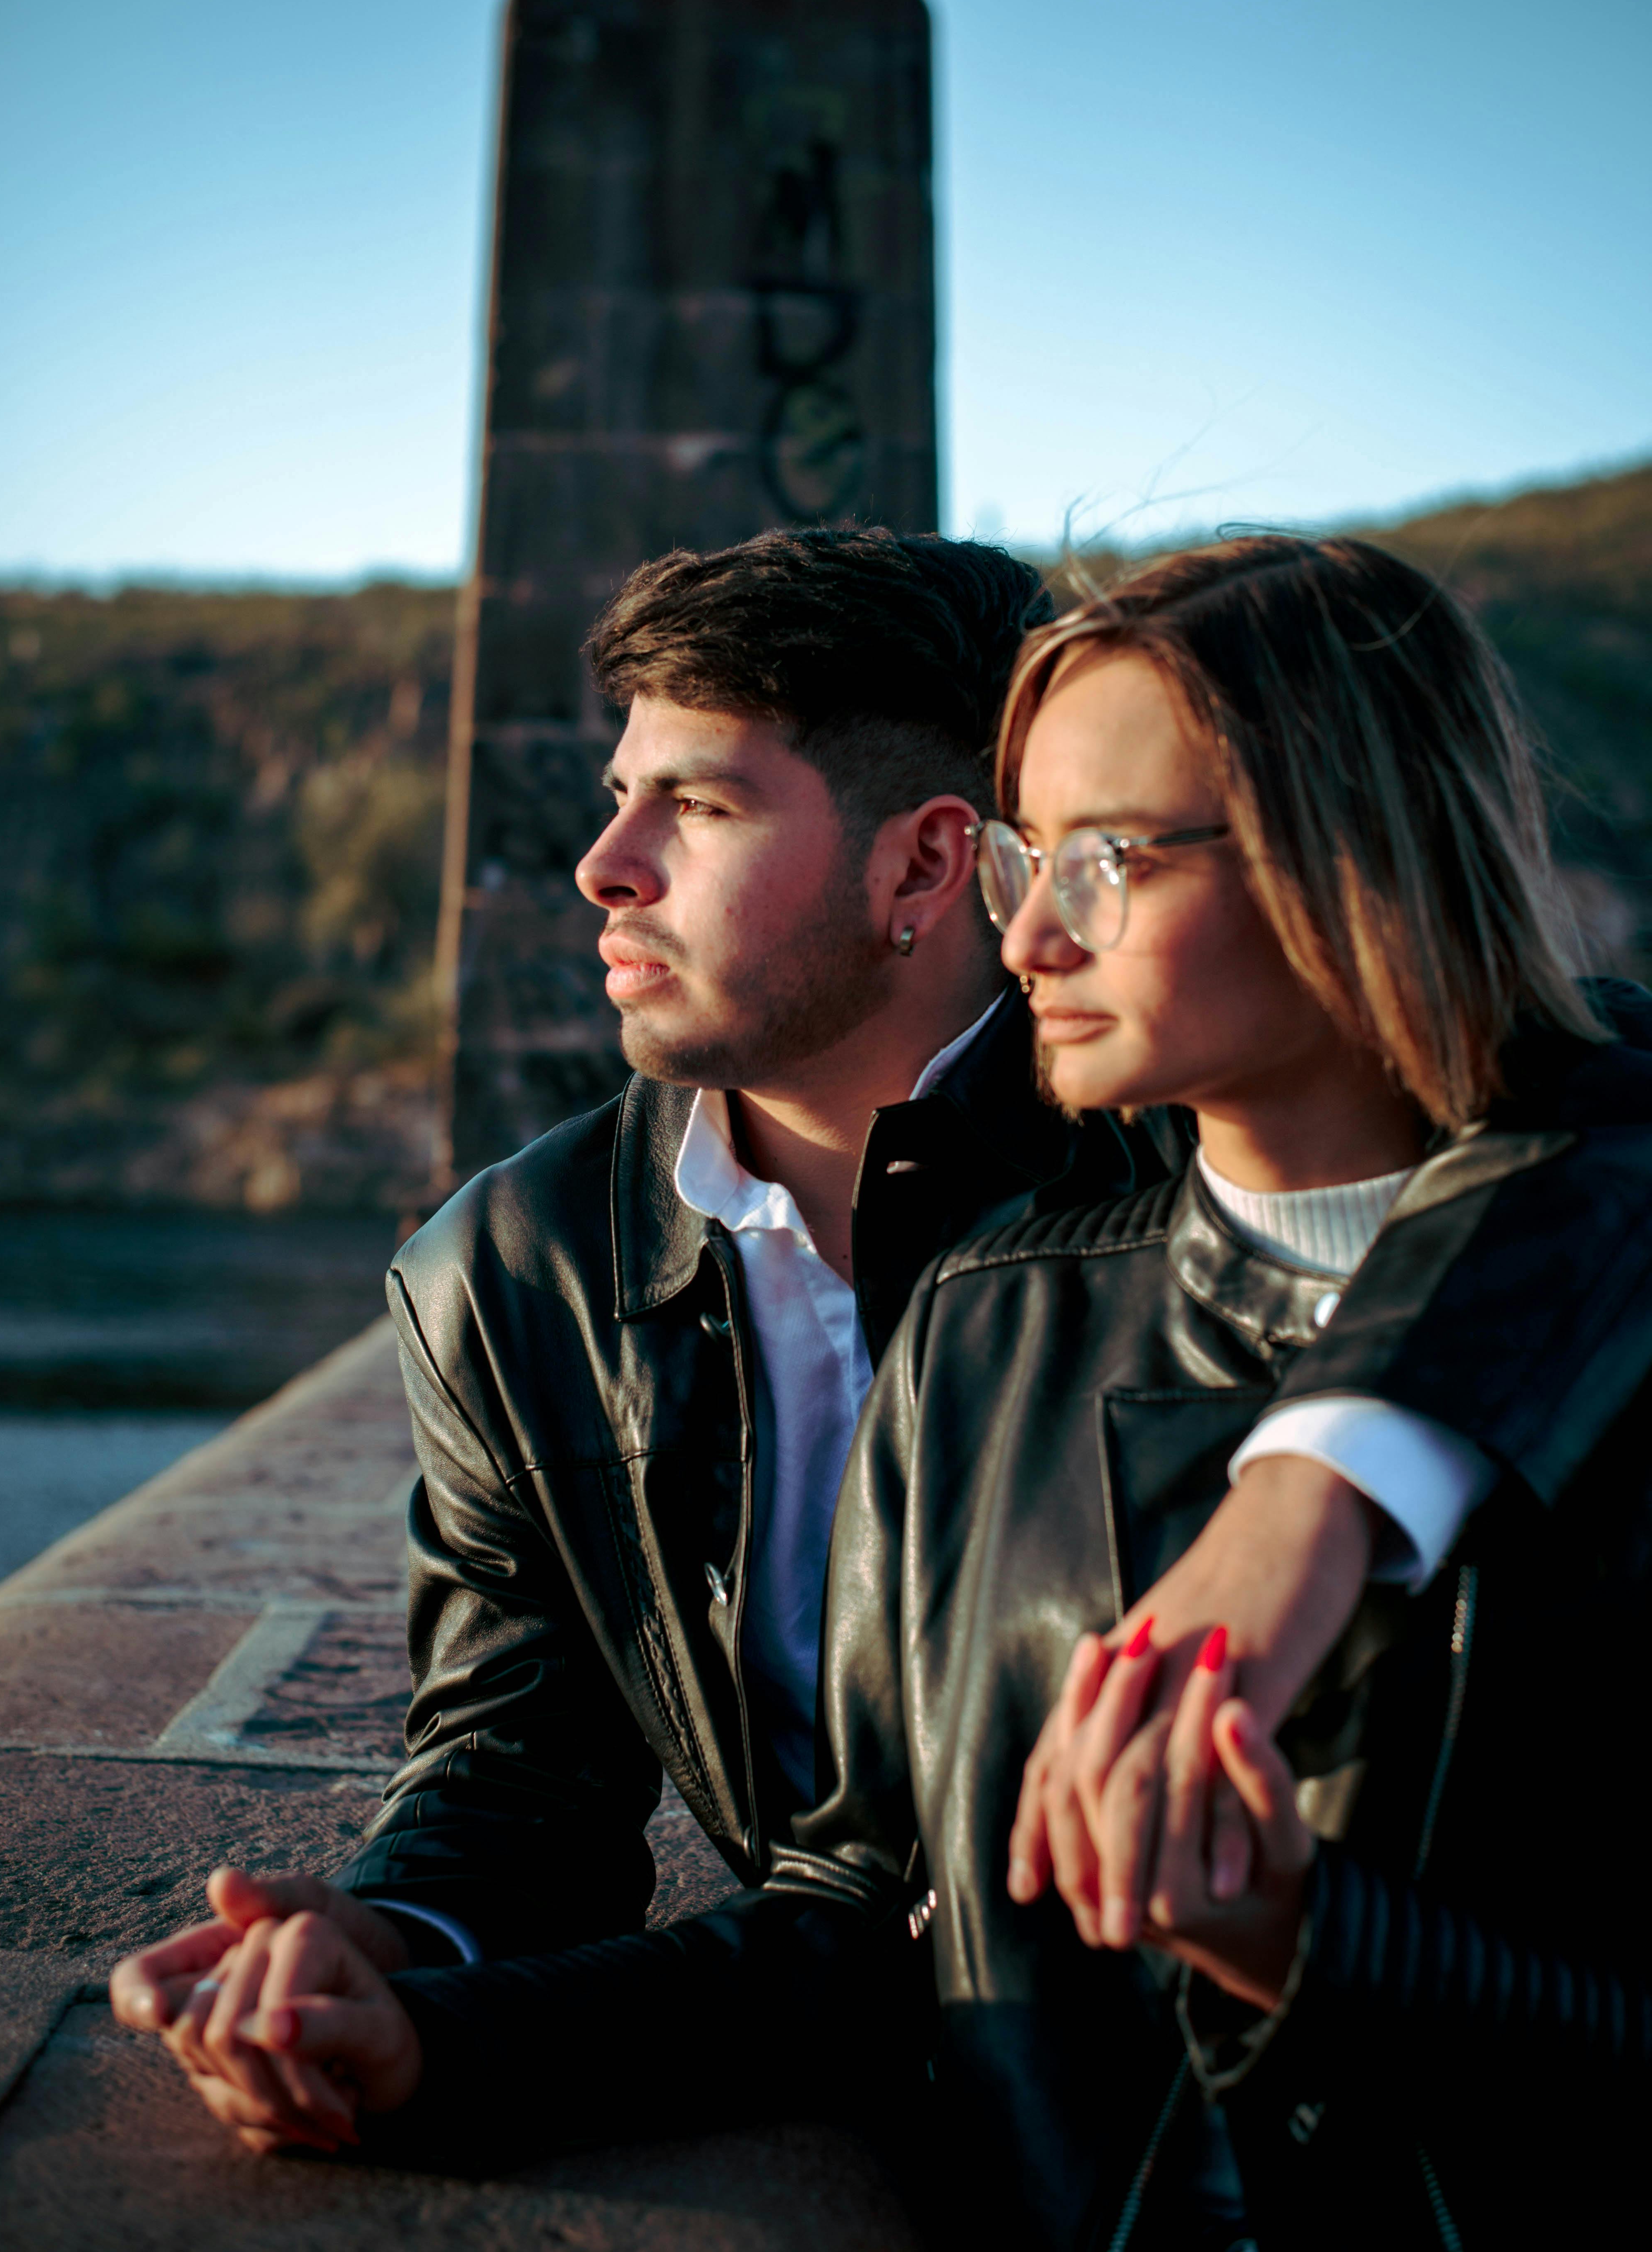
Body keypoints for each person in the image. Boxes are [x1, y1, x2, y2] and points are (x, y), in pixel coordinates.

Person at [148, 533, 1652, 2244]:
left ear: (925, 863)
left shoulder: (1228, 1136)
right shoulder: (528, 1272)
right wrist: (410, 1985)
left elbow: (1573, 1083)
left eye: (697, 805)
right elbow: (636, 1810)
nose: (600, 869)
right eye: (616, 792)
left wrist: (1320, 1481)